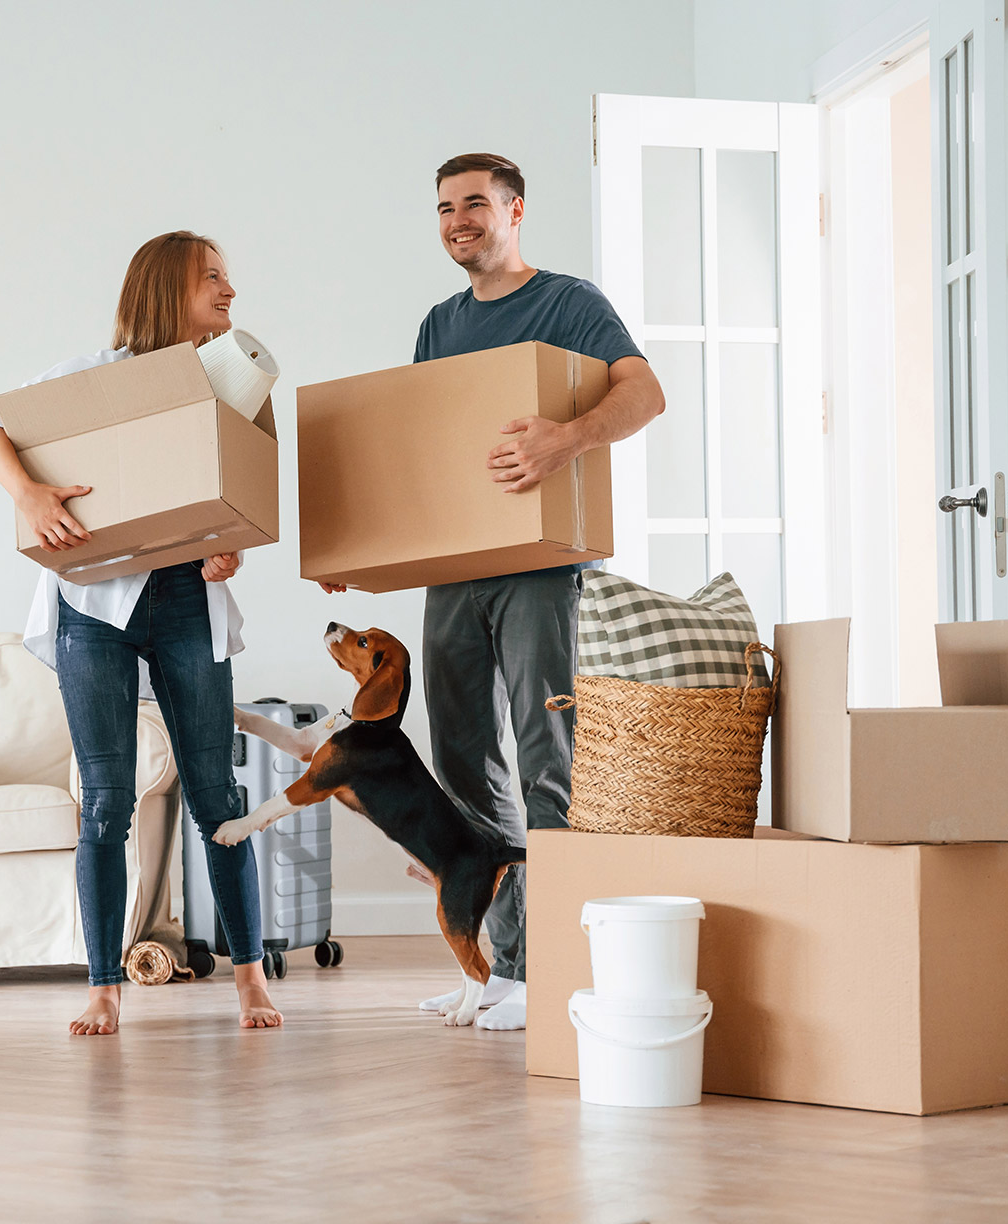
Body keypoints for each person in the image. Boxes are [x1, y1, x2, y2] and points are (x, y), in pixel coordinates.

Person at [325, 153, 664, 1031]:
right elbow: (420, 459)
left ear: (515, 210)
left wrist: (570, 437)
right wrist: (362, 553)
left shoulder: (570, 303)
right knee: (464, 764)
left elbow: (647, 394)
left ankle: (536, 970)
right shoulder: (438, 324)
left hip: (542, 575)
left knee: (549, 763)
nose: (458, 220)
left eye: (475, 203)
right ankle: (491, 967)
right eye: (444, 208)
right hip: (455, 577)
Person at [0, 231, 280, 1037]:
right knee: (105, 802)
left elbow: (233, 500)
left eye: (228, 278)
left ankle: (250, 979)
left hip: (184, 601)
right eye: (212, 277)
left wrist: (228, 546)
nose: (229, 290)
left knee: (219, 798)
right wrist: (31, 495)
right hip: (93, 605)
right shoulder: (91, 379)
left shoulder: (230, 389)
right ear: (166, 286)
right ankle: (103, 985)